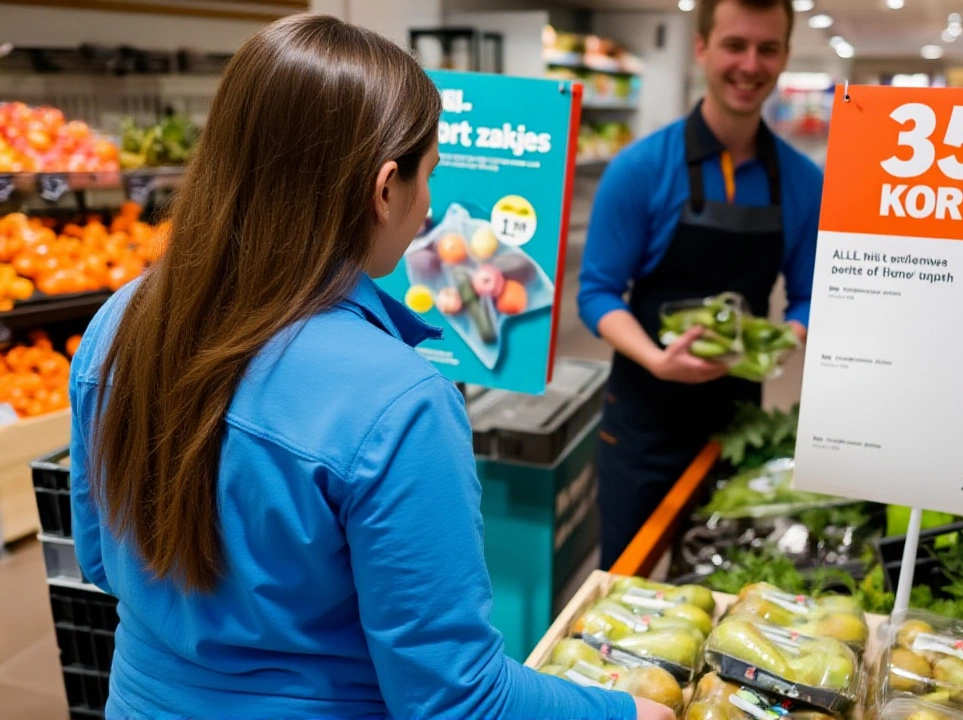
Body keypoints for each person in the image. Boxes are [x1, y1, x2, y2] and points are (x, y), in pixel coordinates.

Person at [69, 14, 673, 720]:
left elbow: (101, 562)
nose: (427, 209)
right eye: (429, 179)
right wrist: (628, 713)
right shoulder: (398, 402)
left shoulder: (120, 321)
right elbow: (458, 701)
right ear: (385, 188)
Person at [578, 0, 822, 569]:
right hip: (642, 420)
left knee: (713, 583)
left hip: (738, 426)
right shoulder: (639, 169)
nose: (750, 64)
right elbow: (597, 292)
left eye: (767, 48)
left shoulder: (803, 182)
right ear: (702, 48)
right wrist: (657, 359)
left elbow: (809, 295)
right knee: (625, 581)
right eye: (735, 45)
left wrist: (783, 338)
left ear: (785, 55)